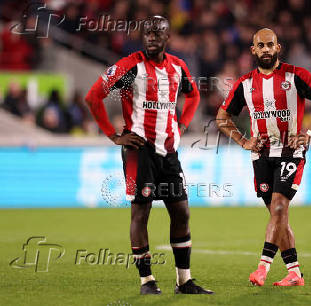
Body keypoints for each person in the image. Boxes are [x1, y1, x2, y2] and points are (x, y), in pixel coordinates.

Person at [85, 16, 213, 295]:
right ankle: (147, 281)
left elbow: (192, 97)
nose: (152, 37)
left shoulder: (178, 67)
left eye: (158, 33)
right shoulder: (129, 66)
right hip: (137, 151)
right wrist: (113, 135)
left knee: (181, 211)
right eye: (147, 33)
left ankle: (184, 281)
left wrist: (181, 125)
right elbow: (93, 97)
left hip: (168, 151)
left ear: (168, 38)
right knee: (141, 212)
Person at [216, 28, 311, 287]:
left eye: (270, 44)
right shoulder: (244, 84)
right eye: (261, 45)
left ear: (278, 47)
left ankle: (262, 268)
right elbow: (221, 117)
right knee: (277, 215)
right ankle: (294, 273)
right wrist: (243, 141)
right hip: (261, 155)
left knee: (280, 207)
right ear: (253, 50)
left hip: (291, 151)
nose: (266, 49)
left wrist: (308, 132)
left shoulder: (296, 76)